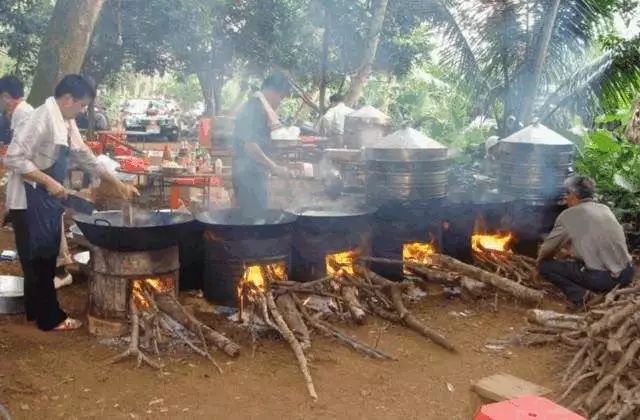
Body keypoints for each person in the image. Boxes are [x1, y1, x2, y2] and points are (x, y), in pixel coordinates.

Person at [5, 74, 139, 331]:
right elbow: (13, 159)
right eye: (82, 104)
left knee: (39, 257)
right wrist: (47, 181)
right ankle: (50, 318)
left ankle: (35, 311)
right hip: (28, 197)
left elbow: (86, 157)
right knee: (41, 259)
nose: (83, 110)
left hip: (44, 198)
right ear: (67, 99)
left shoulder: (65, 121)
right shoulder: (41, 118)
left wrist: (118, 184)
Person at [537, 175, 634, 309]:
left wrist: (539, 262)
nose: (565, 197)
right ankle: (603, 291)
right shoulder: (604, 208)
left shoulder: (569, 214)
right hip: (627, 273)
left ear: (574, 195)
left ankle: (581, 297)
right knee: (576, 264)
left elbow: (547, 250)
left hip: (605, 279)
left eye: (567, 193)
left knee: (546, 267)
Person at [232, 73, 292, 213]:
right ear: (272, 91)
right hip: (248, 176)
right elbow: (250, 146)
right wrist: (274, 166)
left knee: (256, 219)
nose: (280, 102)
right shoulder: (253, 109)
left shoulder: (259, 108)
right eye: (281, 97)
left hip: (253, 174)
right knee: (254, 221)